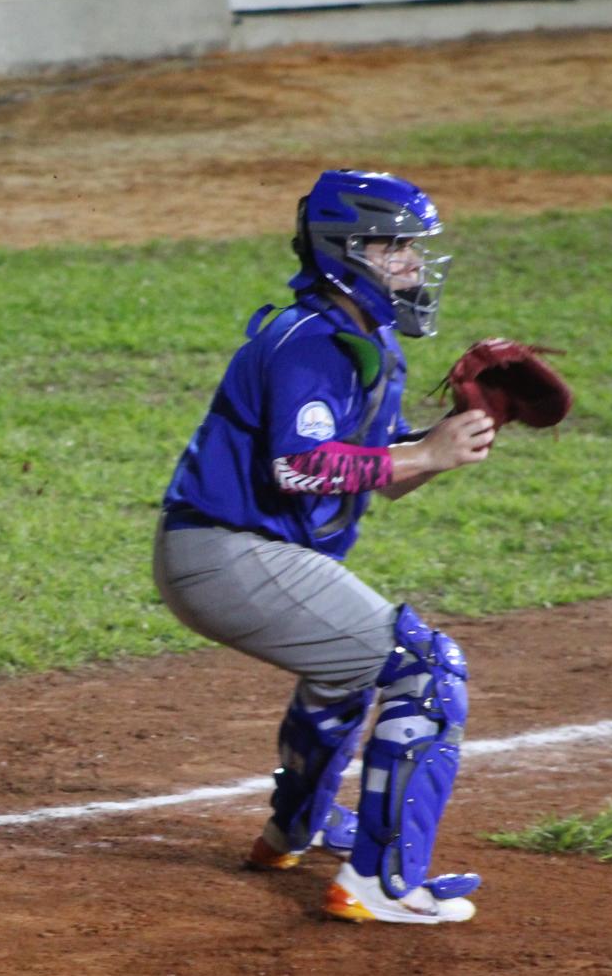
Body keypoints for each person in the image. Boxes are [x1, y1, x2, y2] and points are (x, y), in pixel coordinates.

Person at [153, 169, 498, 926]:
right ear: (349, 250)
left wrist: (451, 441)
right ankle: (381, 883)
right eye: (397, 247)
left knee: (344, 670)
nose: (413, 263)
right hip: (227, 553)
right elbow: (302, 466)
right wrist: (426, 453)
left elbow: (380, 477)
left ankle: (293, 828)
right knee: (426, 666)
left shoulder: (364, 338)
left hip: (231, 551)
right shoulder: (312, 343)